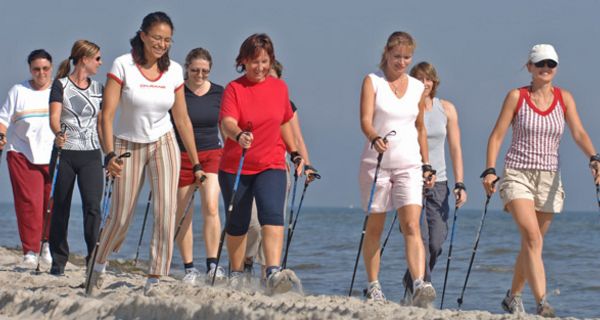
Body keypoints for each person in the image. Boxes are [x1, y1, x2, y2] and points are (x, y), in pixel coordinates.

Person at [87, 11, 205, 296]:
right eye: (157, 38)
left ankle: (155, 277)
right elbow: (107, 116)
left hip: (163, 142)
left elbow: (182, 119)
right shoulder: (123, 65)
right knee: (121, 216)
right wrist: (109, 154)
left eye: (167, 40)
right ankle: (98, 264)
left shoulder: (175, 70)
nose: (162, 44)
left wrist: (197, 162)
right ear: (142, 35)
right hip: (127, 144)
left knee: (166, 210)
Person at [482, 44, 600, 317]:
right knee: (533, 239)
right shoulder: (516, 97)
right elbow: (497, 136)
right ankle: (542, 303)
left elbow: (579, 132)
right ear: (530, 68)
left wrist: (594, 157)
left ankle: (513, 297)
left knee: (531, 244)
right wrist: (490, 170)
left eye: (551, 64)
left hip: (549, 178)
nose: (546, 68)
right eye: (540, 64)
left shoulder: (564, 98)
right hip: (517, 175)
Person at [219, 33, 304, 294]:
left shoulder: (280, 88)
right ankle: (235, 271)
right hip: (237, 166)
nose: (260, 67)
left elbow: (285, 122)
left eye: (265, 61)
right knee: (238, 222)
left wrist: (295, 152)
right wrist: (238, 135)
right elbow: (227, 122)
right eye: (254, 62)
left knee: (272, 215)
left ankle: (273, 271)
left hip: (272, 163)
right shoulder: (235, 88)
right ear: (243, 61)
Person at [358, 31, 435, 307]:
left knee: (412, 224)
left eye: (406, 57)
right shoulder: (373, 81)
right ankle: (373, 284)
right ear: (387, 54)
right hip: (376, 164)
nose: (401, 62)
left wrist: (427, 164)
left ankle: (418, 282)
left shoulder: (417, 87)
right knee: (376, 226)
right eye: (397, 56)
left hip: (409, 164)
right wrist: (374, 137)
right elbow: (366, 120)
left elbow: (420, 127)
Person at [243, 59, 317, 278]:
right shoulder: (247, 98)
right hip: (250, 166)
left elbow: (297, 138)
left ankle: (269, 273)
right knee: (253, 224)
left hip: (277, 166)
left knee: (273, 221)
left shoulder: (286, 105)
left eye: (272, 77)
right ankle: (246, 260)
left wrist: (307, 164)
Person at [401, 61, 467, 301]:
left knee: (436, 242)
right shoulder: (406, 108)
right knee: (420, 237)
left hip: (439, 183)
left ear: (434, 82)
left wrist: (460, 183)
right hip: (410, 178)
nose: (424, 84)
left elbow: (456, 148)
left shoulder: (446, 109)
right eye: (419, 79)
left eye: (428, 79)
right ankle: (422, 287)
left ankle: (411, 281)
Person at [48, 40, 104, 276]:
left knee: (93, 208)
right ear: (84, 59)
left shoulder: (99, 87)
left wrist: (109, 153)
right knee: (61, 207)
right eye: (97, 59)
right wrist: (58, 133)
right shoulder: (60, 85)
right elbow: (54, 116)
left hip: (91, 154)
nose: (100, 63)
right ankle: (58, 260)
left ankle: (93, 260)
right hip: (65, 154)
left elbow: (102, 124)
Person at [172, 47, 226, 284]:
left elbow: (225, 124)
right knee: (184, 213)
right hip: (182, 155)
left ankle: (212, 264)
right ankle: (189, 268)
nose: (200, 75)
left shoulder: (218, 92)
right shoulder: (179, 91)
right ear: (187, 68)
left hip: (213, 153)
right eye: (195, 70)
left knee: (212, 206)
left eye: (204, 71)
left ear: (210, 70)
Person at [0, 49, 54, 266]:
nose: (41, 73)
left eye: (45, 69)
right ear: (30, 70)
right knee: (29, 203)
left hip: (53, 154)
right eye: (36, 69)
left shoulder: (59, 89)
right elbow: (3, 119)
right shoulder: (18, 91)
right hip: (22, 152)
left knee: (52, 203)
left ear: (51, 67)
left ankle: (47, 245)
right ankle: (30, 251)